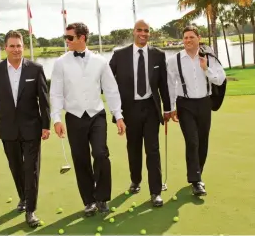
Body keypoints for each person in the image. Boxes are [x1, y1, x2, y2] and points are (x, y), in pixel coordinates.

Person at [50, 22, 126, 216]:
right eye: (65, 37)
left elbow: (111, 89)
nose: (66, 41)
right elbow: (56, 93)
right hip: (74, 117)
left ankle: (102, 198)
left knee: (101, 154)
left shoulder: (100, 61)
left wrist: (118, 115)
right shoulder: (60, 63)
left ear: (82, 38)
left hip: (96, 115)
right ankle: (89, 201)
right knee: (80, 159)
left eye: (70, 38)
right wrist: (56, 118)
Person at [0, 30, 50, 227]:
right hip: (7, 129)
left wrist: (46, 125)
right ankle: (23, 197)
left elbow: (44, 100)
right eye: (12, 46)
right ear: (5, 48)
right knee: (16, 168)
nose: (16, 49)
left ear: (24, 47)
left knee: (31, 169)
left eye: (19, 46)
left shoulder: (35, 69)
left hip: (32, 128)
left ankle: (30, 210)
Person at [109, 19, 171, 207]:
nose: (143, 33)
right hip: (130, 110)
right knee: (133, 148)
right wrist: (116, 110)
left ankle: (155, 192)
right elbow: (108, 82)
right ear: (133, 32)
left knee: (153, 150)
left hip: (151, 108)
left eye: (146, 31)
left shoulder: (158, 55)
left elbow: (163, 85)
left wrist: (167, 108)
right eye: (140, 30)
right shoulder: (119, 55)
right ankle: (135, 181)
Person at [166, 25, 226, 196]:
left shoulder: (209, 57)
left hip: (204, 103)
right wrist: (170, 108)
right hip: (184, 105)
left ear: (199, 38)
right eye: (185, 38)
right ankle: (196, 180)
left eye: (191, 37)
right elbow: (171, 85)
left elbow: (220, 80)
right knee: (192, 141)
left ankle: (198, 173)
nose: (188, 40)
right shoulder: (174, 60)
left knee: (203, 140)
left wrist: (206, 68)